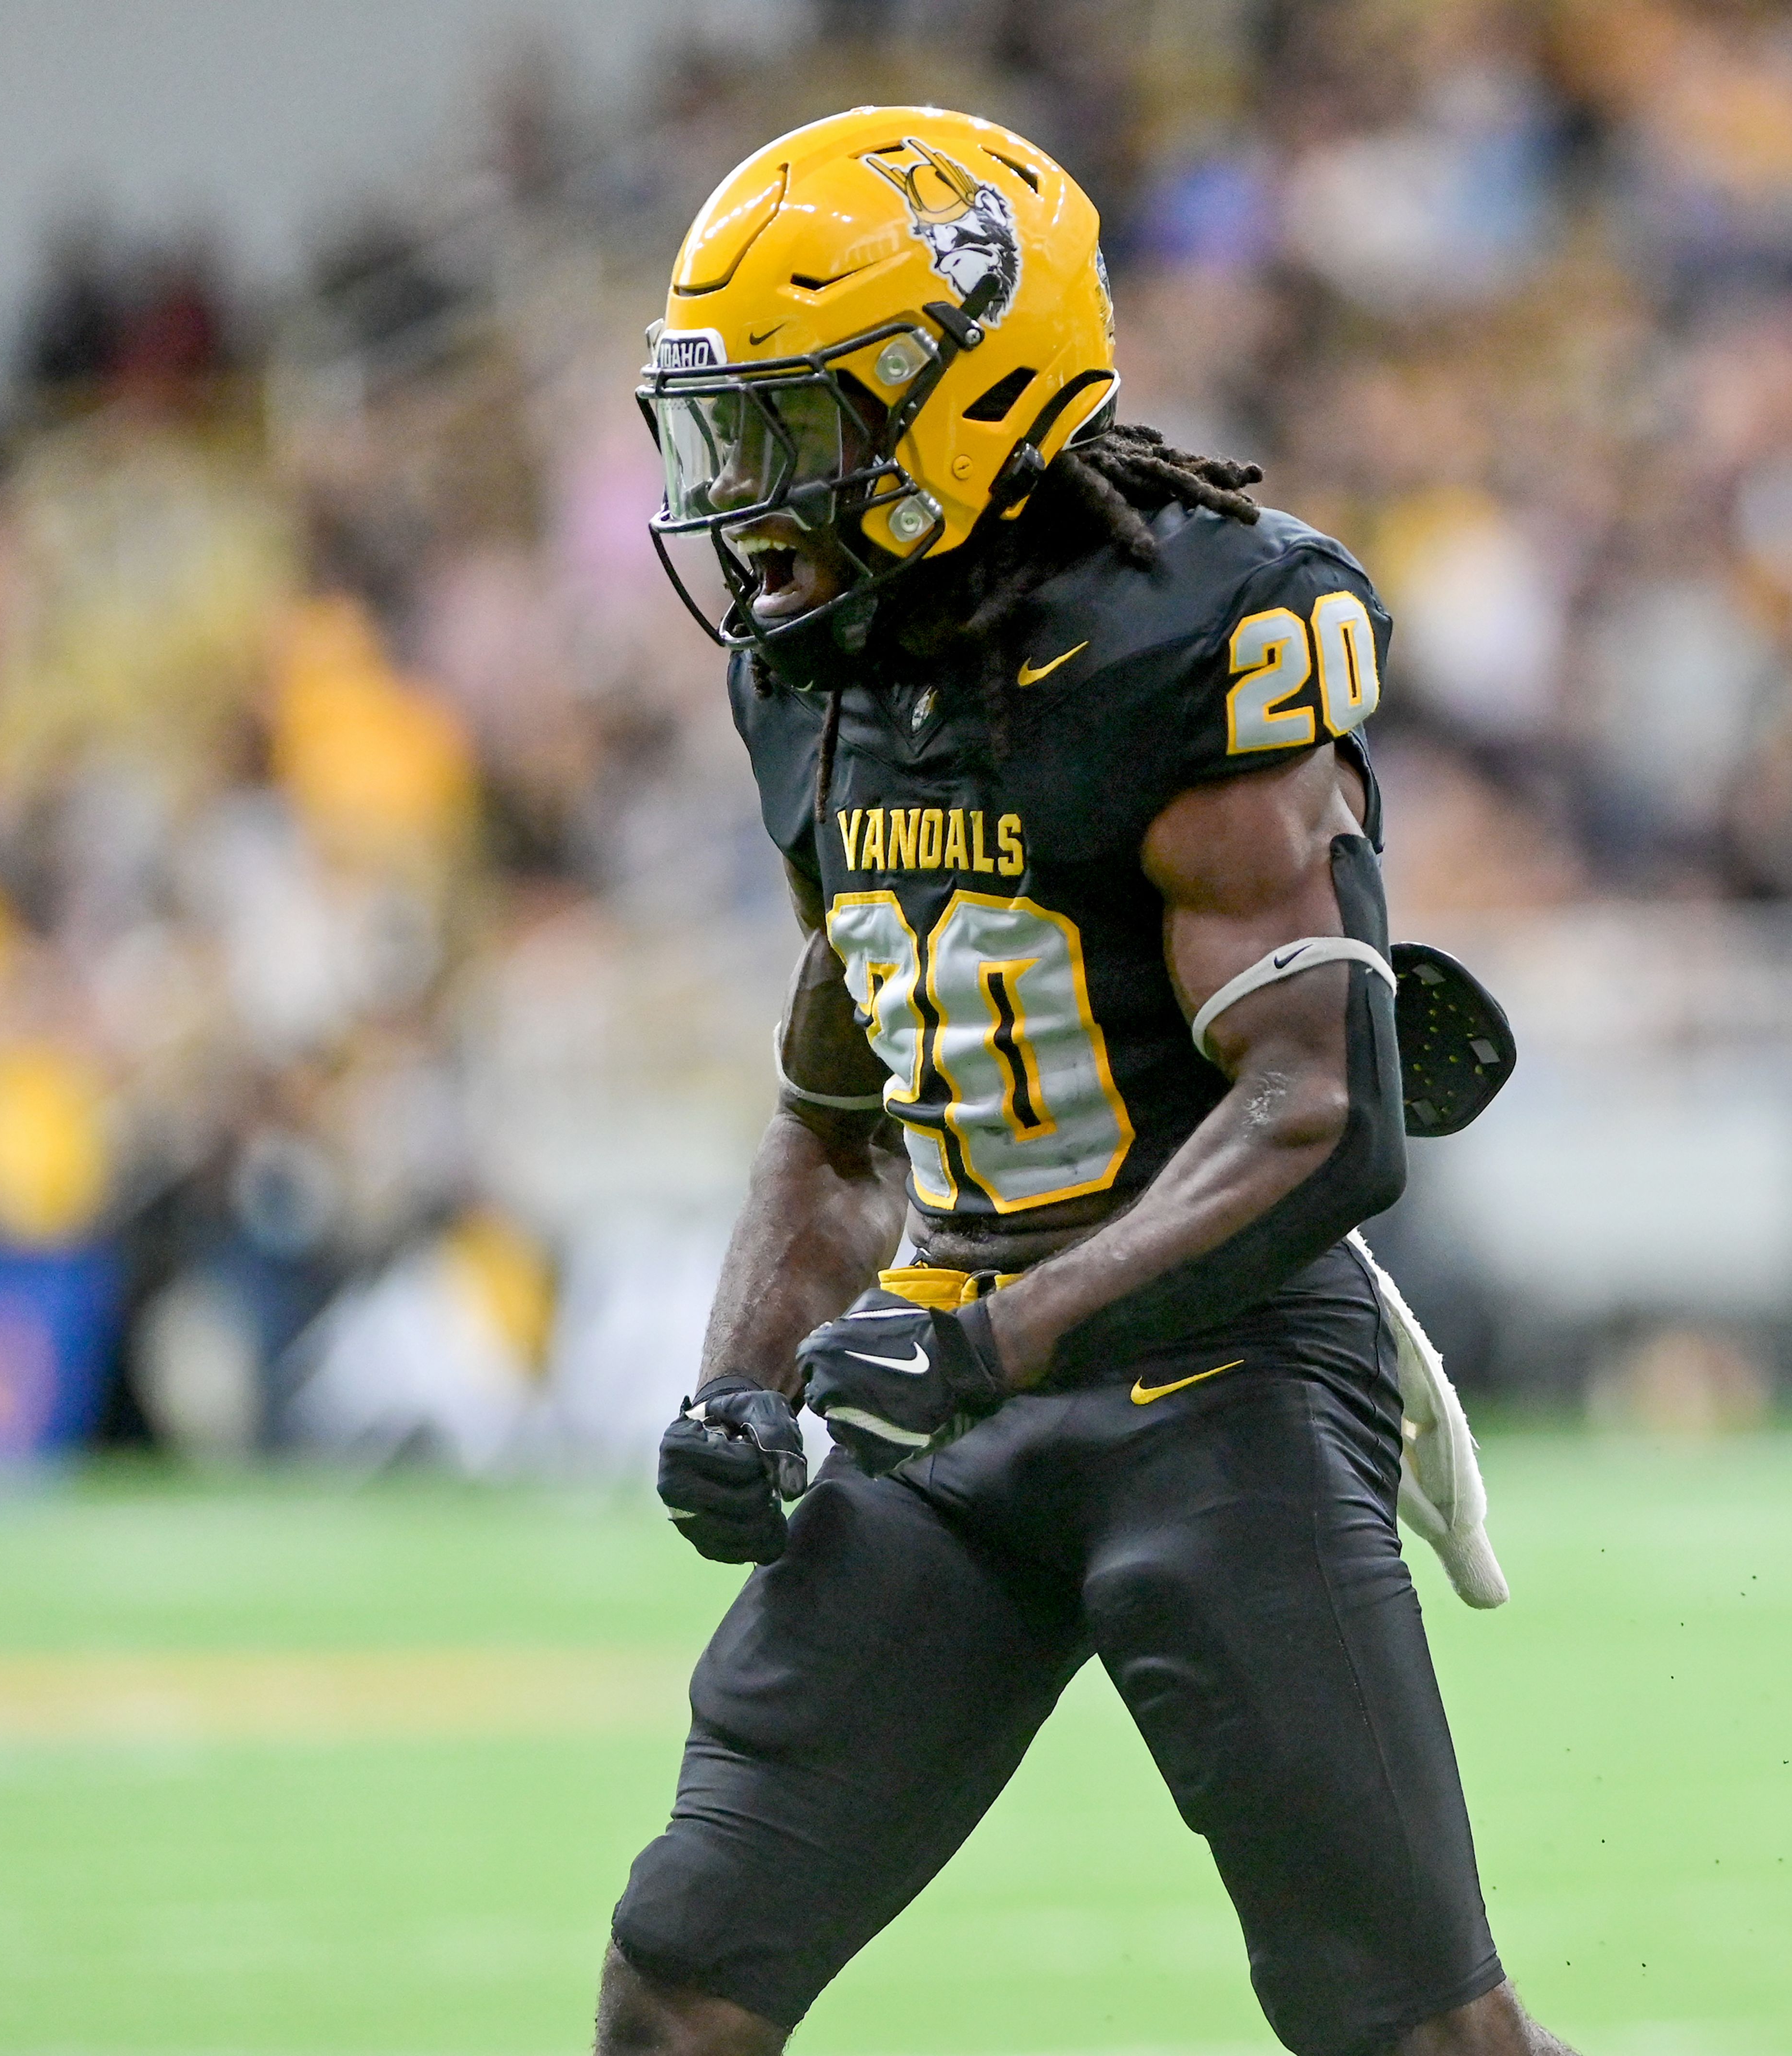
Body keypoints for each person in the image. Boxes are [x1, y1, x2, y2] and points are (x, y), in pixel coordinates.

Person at [600, 108, 1575, 2056]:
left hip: (1207, 1382)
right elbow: (841, 1096)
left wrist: (994, 1340)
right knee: (683, 1979)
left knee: (1406, 2030)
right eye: (740, 432)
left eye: (806, 426)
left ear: (968, 396)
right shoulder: (818, 667)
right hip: (964, 1379)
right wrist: (740, 1370)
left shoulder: (1197, 625)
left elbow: (1322, 1109)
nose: (759, 499)